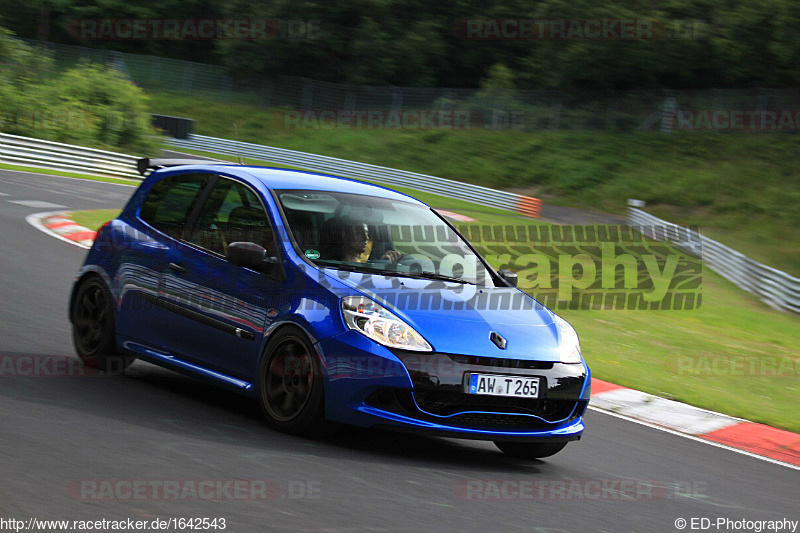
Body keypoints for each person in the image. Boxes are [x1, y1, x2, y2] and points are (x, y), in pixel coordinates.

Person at [321, 216, 401, 263]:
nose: (366, 238)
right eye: (359, 233)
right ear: (344, 235)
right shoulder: (329, 264)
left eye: (367, 234)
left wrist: (382, 263)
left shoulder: (371, 263)